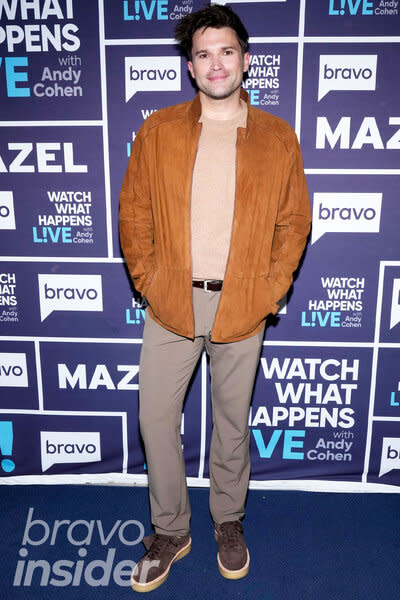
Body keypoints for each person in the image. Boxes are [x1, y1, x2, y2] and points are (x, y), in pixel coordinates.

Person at [119, 3, 311, 592]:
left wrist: (271, 289)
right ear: (191, 66)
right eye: (203, 53)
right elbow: (134, 212)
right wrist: (150, 281)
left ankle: (228, 521)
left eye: (226, 51)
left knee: (230, 423)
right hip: (172, 300)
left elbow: (293, 222)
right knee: (156, 419)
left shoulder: (278, 137)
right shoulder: (158, 130)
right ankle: (171, 530)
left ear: (245, 60)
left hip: (244, 305)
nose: (216, 62)